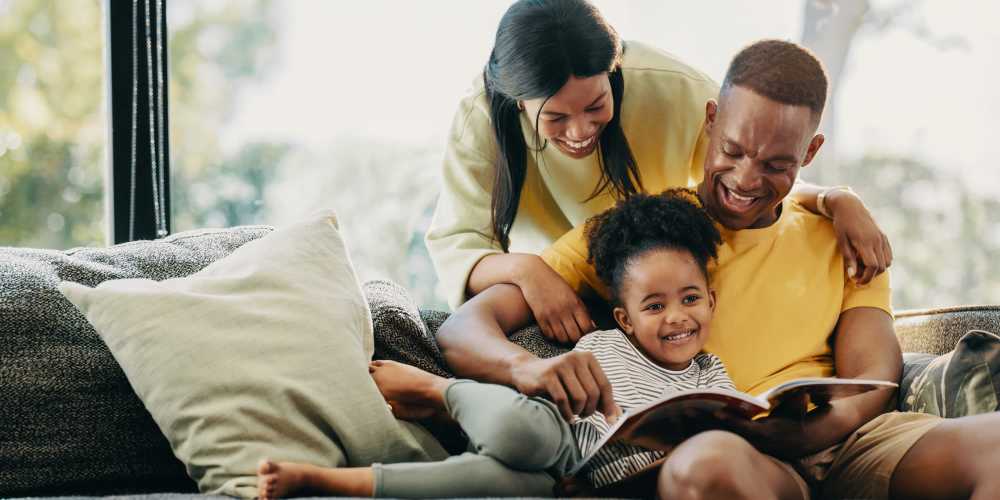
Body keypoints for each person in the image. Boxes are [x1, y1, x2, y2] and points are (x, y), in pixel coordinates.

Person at [437, 39, 1000, 499]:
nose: (747, 179)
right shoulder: (639, 231)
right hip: (739, 461)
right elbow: (462, 329)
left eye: (777, 163)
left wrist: (816, 428)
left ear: (809, 153)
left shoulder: (843, 236)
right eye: (731, 150)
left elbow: (873, 374)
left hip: (848, 442)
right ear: (711, 121)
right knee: (704, 466)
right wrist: (522, 368)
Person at [425, 0, 893, 345]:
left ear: (615, 69)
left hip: (657, 290)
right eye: (556, 119)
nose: (580, 132)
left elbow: (752, 176)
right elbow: (459, 244)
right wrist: (529, 271)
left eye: (596, 106)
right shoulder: (482, 118)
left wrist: (835, 199)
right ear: (517, 103)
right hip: (559, 283)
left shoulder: (675, 90)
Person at [256, 190, 765, 498]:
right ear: (624, 319)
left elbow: (718, 452)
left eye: (691, 299)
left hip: (571, 483)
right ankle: (442, 393)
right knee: (526, 435)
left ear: (712, 303)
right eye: (654, 306)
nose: (677, 318)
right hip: (555, 441)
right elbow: (542, 404)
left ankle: (322, 482)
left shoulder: (711, 376)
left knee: (485, 484)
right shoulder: (603, 346)